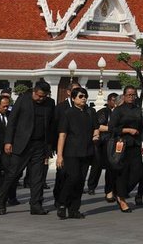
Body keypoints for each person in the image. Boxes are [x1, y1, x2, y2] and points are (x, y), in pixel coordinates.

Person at [0, 81, 54, 215]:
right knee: (12, 174)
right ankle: (1, 202)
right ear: (34, 91)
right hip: (21, 144)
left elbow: (51, 125)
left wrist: (49, 147)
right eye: (39, 96)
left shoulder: (50, 103)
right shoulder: (23, 99)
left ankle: (35, 204)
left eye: (44, 96)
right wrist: (8, 142)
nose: (41, 99)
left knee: (37, 177)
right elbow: (12, 121)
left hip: (39, 145)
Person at [55, 87, 98, 219]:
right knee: (72, 178)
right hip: (71, 152)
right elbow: (62, 135)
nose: (83, 98)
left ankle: (74, 209)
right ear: (73, 99)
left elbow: (96, 128)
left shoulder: (91, 112)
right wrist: (60, 155)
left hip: (86, 151)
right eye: (80, 96)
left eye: (85, 96)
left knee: (80, 181)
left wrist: (96, 134)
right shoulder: (68, 113)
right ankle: (62, 203)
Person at [108, 86, 143, 212]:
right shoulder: (118, 111)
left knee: (138, 172)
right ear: (123, 96)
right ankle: (122, 199)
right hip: (121, 145)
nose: (131, 97)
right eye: (128, 95)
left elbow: (142, 128)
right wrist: (127, 130)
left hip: (135, 145)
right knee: (122, 173)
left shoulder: (138, 110)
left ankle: (119, 192)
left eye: (133, 95)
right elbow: (111, 128)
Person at [87, 92, 117, 198]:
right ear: (108, 101)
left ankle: (111, 189)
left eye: (116, 100)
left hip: (115, 143)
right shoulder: (103, 112)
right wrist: (111, 128)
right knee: (97, 165)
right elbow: (97, 126)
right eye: (113, 100)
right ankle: (91, 186)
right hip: (102, 143)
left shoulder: (119, 112)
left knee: (112, 167)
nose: (115, 102)